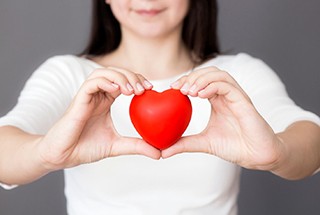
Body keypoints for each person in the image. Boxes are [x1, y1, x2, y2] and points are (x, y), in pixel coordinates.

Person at [0, 0, 319, 214]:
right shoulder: (70, 75)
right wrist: (46, 152)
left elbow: (311, 138)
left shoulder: (233, 76)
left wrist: (278, 152)